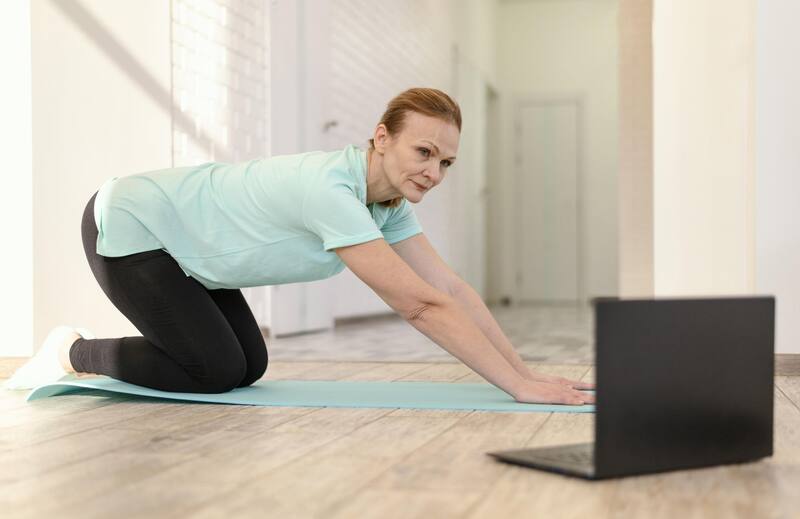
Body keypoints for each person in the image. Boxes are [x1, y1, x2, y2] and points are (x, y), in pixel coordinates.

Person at [3, 87, 594, 405]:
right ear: (382, 137)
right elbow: (417, 305)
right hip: (134, 225)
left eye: (446, 161)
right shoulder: (330, 189)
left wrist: (527, 372)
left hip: (188, 250)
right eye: (423, 152)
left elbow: (449, 288)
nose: (435, 172)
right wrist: (517, 390)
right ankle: (73, 352)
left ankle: (94, 352)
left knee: (247, 368)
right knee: (213, 371)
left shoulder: (385, 204)